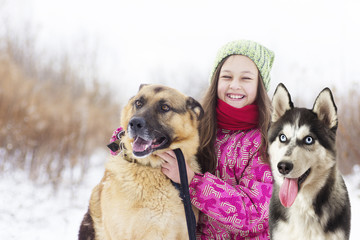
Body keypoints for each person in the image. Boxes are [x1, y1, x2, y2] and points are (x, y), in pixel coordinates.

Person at [158, 39, 275, 239]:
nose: (235, 85)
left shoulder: (268, 141)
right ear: (216, 81)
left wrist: (192, 181)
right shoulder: (198, 128)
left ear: (260, 85)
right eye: (227, 76)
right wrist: (132, 141)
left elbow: (253, 214)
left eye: (246, 78)